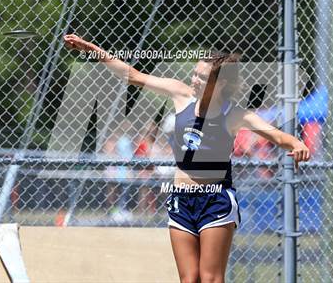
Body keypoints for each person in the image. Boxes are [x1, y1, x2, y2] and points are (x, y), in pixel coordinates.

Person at [63, 34, 310, 282]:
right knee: (189, 278)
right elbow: (133, 76)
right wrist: (93, 50)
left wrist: (298, 144)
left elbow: (279, 136)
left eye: (202, 78)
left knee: (210, 278)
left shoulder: (234, 115)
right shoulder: (180, 94)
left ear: (220, 84)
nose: (194, 80)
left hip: (215, 200)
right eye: (195, 73)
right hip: (181, 199)